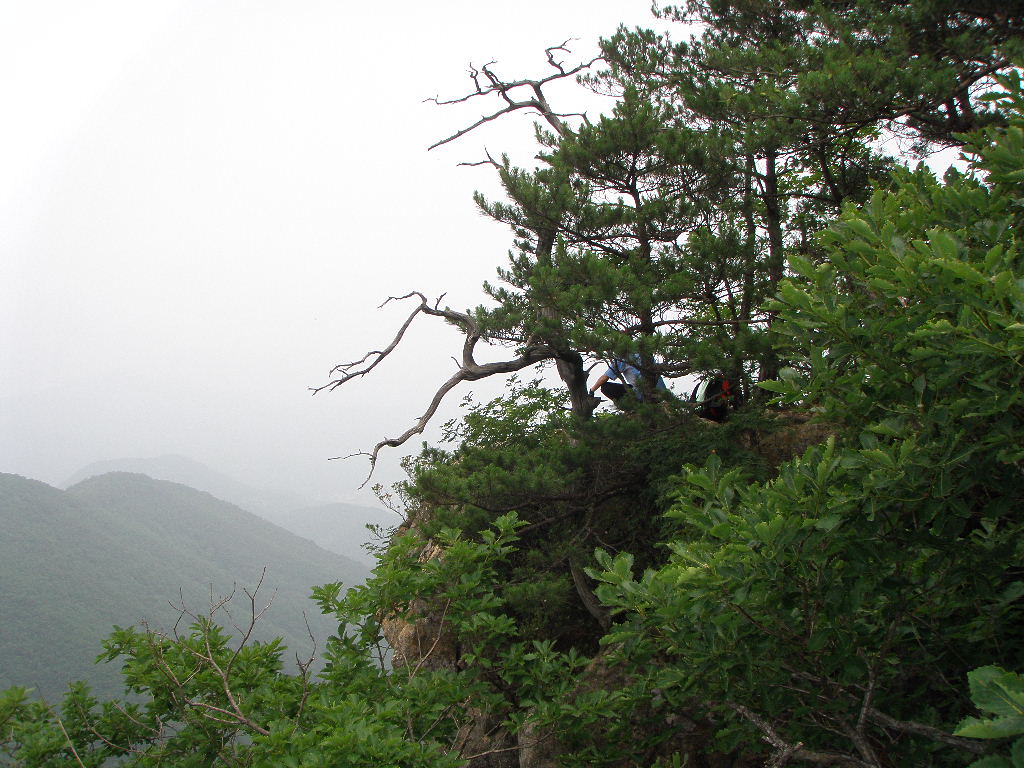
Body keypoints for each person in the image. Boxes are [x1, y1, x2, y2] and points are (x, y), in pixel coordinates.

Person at [589, 356, 668, 408]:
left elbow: (605, 378)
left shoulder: (623, 357)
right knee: (632, 385)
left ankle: (631, 407)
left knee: (606, 387)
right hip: (662, 393)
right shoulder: (644, 354)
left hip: (644, 393)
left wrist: (591, 391)